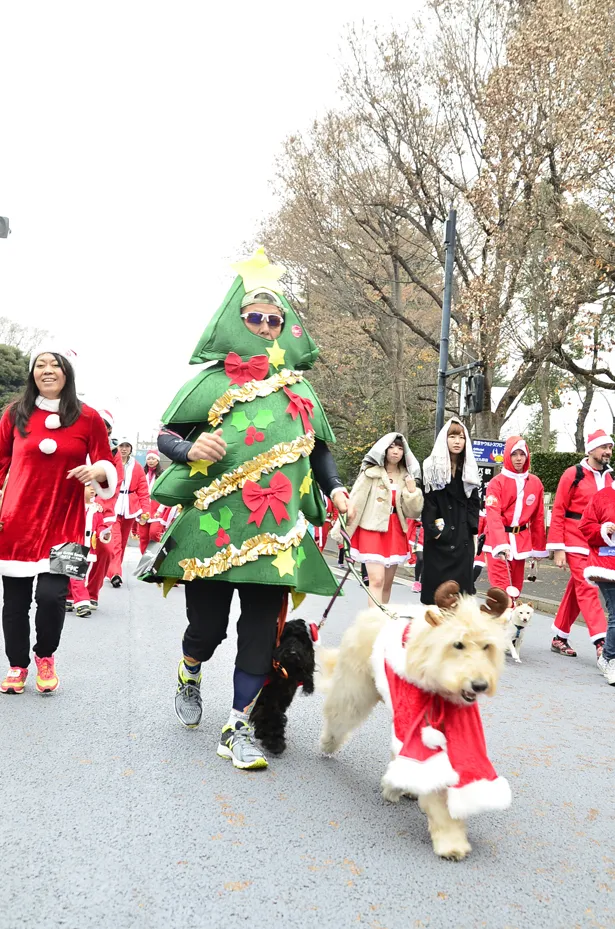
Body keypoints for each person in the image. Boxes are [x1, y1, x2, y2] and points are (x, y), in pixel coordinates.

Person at [140, 249, 352, 771]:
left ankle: (237, 726)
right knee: (207, 632)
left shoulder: (300, 389)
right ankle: (190, 672)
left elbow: (319, 448)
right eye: (253, 317)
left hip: (277, 535)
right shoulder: (211, 383)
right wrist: (188, 450)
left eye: (273, 319)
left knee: (261, 636)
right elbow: (166, 434)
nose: (263, 325)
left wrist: (337, 489)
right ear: (237, 322)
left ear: (285, 327)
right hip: (213, 533)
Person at [0, 348, 116, 694]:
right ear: (32, 374)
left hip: (66, 522)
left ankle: (45, 656)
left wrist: (98, 471)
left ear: (68, 374)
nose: (47, 371)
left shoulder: (88, 418)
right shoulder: (14, 414)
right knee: (15, 602)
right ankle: (18, 665)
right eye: (40, 365)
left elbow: (106, 463)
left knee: (52, 597)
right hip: (17, 522)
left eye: (55, 366)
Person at [547, 429, 612, 662]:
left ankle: (559, 636)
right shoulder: (572, 474)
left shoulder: (610, 477)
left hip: (600, 541)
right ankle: (602, 641)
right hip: (574, 539)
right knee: (587, 586)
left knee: (577, 589)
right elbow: (558, 510)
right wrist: (558, 548)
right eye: (604, 447)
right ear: (591, 449)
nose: (608, 452)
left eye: (610, 448)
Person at [342, 433, 423, 604]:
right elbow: (356, 501)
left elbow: (413, 512)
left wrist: (412, 491)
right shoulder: (370, 473)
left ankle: (382, 621)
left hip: (395, 530)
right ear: (384, 450)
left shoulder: (406, 476)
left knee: (387, 583)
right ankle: (374, 625)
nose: (396, 452)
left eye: (400, 448)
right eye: (392, 447)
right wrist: (343, 529)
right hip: (371, 529)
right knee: (376, 580)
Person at [420, 418, 481, 605]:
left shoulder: (469, 468)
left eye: (461, 437)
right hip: (439, 539)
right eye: (452, 436)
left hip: (462, 540)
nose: (457, 441)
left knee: (460, 598)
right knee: (435, 597)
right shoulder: (431, 467)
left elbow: (474, 502)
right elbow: (427, 502)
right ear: (444, 439)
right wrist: (436, 532)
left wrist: (471, 528)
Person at [483, 436, 547, 597]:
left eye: (522, 454)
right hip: (497, 542)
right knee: (502, 590)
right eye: (514, 454)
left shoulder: (535, 483)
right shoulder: (496, 483)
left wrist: (539, 548)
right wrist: (500, 543)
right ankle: (505, 616)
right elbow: (493, 515)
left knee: (516, 589)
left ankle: (507, 619)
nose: (518, 459)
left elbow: (538, 518)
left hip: (521, 542)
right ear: (507, 456)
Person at [580, 485, 615, 685]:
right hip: (606, 564)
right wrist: (604, 529)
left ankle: (607, 656)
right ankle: (609, 659)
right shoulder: (602, 497)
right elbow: (585, 526)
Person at [107, 439, 150, 588]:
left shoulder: (137, 467)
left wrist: (145, 511)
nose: (124, 449)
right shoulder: (111, 462)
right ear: (117, 447)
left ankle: (112, 570)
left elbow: (143, 490)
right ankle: (115, 573)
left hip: (130, 507)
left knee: (123, 542)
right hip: (113, 505)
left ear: (131, 449)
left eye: (127, 446)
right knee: (116, 542)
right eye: (121, 446)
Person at [68, 484, 112, 617]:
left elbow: (100, 526)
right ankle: (82, 602)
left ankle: (69, 598)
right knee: (77, 574)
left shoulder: (96, 509)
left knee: (76, 573)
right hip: (74, 544)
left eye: (95, 487)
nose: (93, 489)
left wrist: (104, 534)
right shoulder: (73, 506)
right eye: (88, 486)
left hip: (89, 545)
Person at [138, 449, 164, 554]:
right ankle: (144, 559)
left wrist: (161, 509)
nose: (151, 461)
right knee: (143, 537)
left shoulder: (162, 475)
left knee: (154, 534)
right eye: (149, 458)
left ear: (157, 461)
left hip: (156, 509)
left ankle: (154, 556)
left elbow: (164, 493)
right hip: (143, 509)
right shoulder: (142, 473)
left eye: (153, 458)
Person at [406, 518, 424, 593]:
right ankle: (416, 581)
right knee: (421, 558)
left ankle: (422, 583)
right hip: (417, 536)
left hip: (430, 535)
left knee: (426, 560)